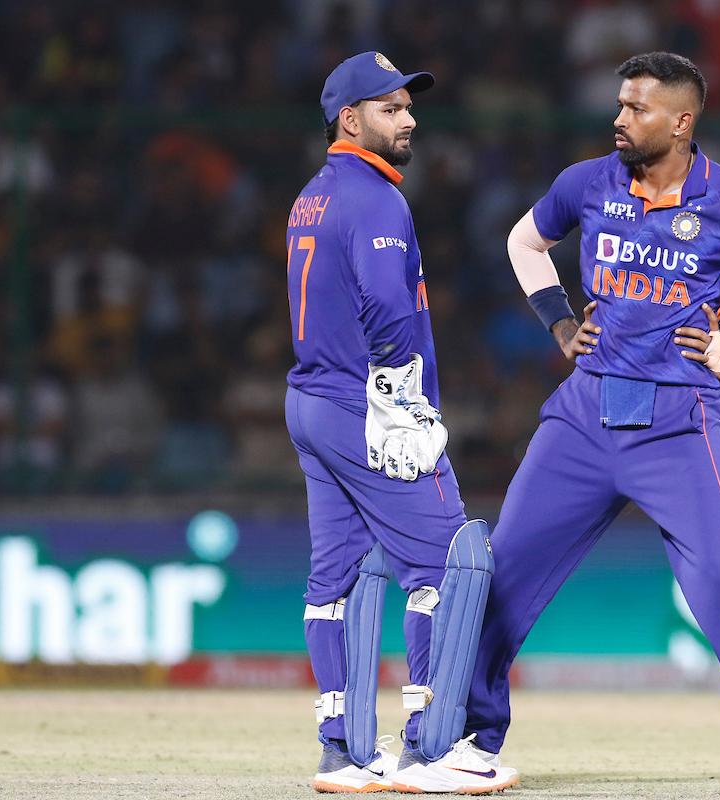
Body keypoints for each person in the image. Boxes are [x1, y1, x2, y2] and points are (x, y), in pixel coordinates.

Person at [464, 52, 720, 793]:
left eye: (637, 108)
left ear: (681, 121)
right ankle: (472, 739)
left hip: (678, 423)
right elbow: (525, 243)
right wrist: (555, 321)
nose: (619, 118)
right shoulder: (585, 183)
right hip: (581, 416)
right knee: (503, 574)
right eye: (619, 104)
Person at [284, 51, 516, 795]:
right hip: (366, 403)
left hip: (312, 402)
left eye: (408, 105)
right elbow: (386, 303)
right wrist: (401, 395)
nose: (409, 117)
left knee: (340, 579)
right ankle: (431, 747)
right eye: (390, 107)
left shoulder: (312, 197)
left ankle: (344, 753)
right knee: (453, 560)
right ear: (349, 120)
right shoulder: (378, 198)